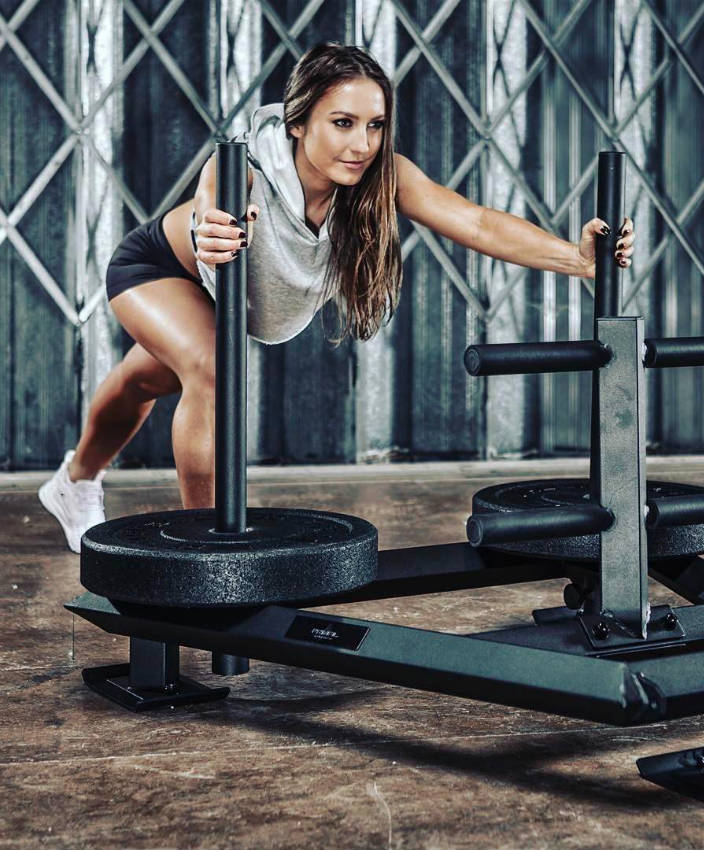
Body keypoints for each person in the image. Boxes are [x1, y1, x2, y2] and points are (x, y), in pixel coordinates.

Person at [38, 42, 636, 553]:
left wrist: (575, 257)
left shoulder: (380, 178)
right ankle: (207, 549)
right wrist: (209, 226)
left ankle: (75, 480)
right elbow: (212, 192)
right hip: (163, 270)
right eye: (342, 123)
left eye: (374, 125)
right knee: (210, 369)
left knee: (147, 381)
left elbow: (476, 223)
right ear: (298, 122)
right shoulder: (251, 164)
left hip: (229, 298)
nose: (362, 143)